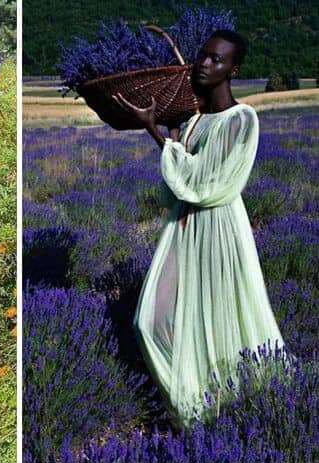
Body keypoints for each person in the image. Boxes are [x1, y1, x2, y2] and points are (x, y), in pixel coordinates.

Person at [114, 31, 284, 427]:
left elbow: (210, 185)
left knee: (220, 313)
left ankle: (215, 409)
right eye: (202, 57)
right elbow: (181, 178)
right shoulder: (191, 121)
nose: (204, 65)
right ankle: (192, 403)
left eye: (217, 60)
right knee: (150, 320)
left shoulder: (243, 119)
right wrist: (162, 131)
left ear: (233, 71)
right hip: (183, 224)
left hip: (219, 227)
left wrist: (154, 131)